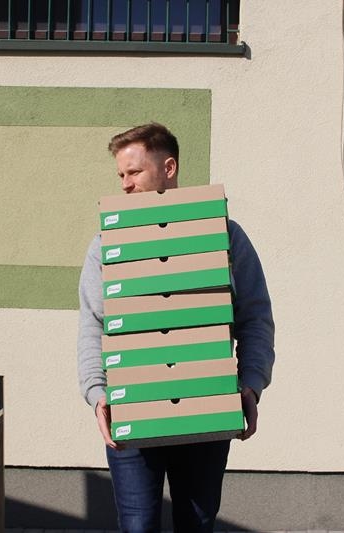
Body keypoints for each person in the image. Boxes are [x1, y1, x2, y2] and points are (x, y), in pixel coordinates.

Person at [77, 123, 275, 532]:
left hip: (205, 411)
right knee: (137, 527)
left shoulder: (223, 235)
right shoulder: (107, 243)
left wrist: (251, 383)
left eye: (134, 172)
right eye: (120, 175)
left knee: (197, 525)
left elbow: (255, 316)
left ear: (168, 168)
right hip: (132, 409)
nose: (125, 184)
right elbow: (93, 325)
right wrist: (97, 395)